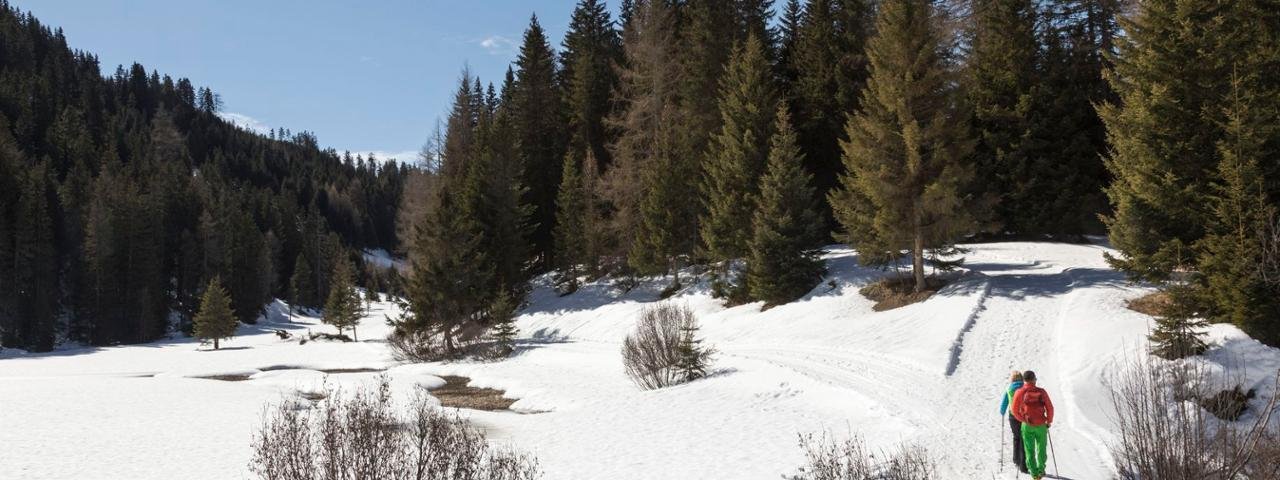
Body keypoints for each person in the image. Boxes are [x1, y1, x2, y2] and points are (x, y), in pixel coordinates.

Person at [1011, 370, 1055, 480]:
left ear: (1024, 380)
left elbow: (1014, 410)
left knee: (1029, 449)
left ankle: (1035, 475)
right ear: (1034, 379)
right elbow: (1050, 408)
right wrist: (1048, 421)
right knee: (1041, 448)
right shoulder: (1042, 392)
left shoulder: (1019, 392)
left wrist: (1023, 419)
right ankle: (1041, 469)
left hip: (1027, 425)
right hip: (1041, 425)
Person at [999, 370, 1028, 473]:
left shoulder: (1009, 388)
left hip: (1012, 416)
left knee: (1016, 437)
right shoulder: (1024, 388)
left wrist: (1002, 411)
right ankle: (1023, 464)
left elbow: (1004, 403)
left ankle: (1016, 459)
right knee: (1023, 438)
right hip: (1023, 416)